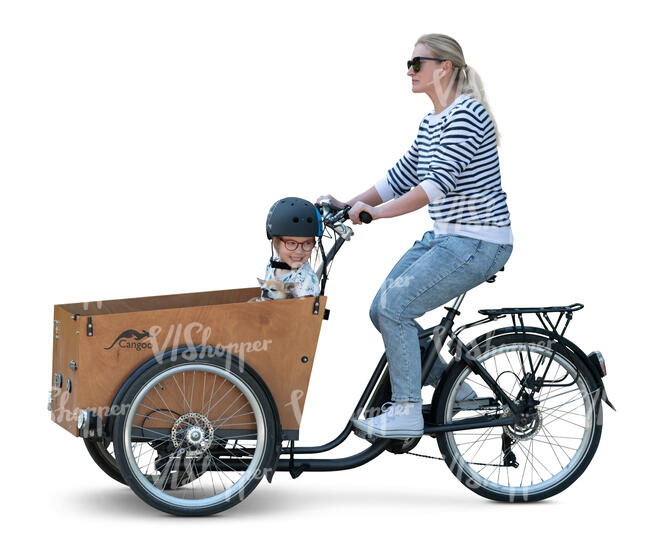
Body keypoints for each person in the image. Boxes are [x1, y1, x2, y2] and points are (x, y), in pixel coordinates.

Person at [317, 33, 514, 439]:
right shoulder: (432, 122)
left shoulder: (467, 114)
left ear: (444, 67)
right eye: (408, 64)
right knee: (382, 310)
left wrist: (375, 215)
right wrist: (345, 204)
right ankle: (449, 388)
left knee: (394, 309)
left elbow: (433, 187)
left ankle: (406, 410)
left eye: (417, 63)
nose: (409, 71)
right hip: (448, 238)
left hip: (479, 241)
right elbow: (400, 178)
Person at [264, 197, 322, 298]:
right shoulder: (271, 266)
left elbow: (304, 311)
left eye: (307, 243)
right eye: (291, 243)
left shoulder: (305, 279)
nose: (299, 251)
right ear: (276, 242)